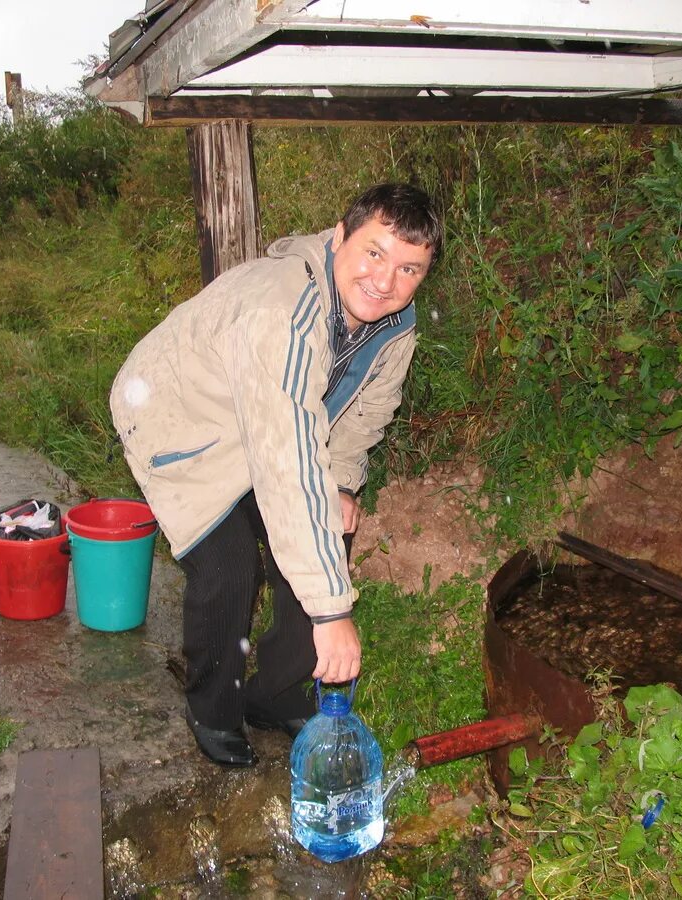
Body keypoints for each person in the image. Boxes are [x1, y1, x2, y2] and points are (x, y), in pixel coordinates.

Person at [110, 183, 442, 767]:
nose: (386, 281)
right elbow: (286, 464)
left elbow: (366, 411)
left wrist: (340, 480)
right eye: (374, 252)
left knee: (325, 524)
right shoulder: (282, 312)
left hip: (260, 414)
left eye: (408, 268)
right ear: (340, 237)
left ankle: (275, 693)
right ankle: (214, 709)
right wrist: (333, 612)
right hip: (176, 417)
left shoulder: (396, 326)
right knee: (229, 564)